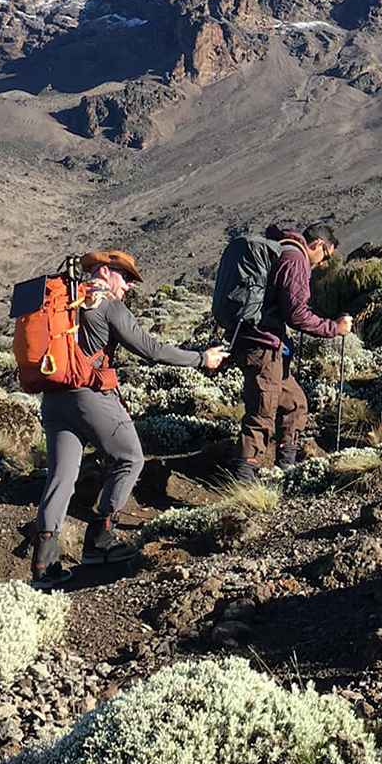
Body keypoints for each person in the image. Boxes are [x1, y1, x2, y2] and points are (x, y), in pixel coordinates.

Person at [31, 250, 226, 583]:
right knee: (130, 458)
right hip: (88, 395)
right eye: (126, 278)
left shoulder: (64, 302)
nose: (130, 286)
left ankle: (43, 566)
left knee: (61, 476)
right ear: (105, 272)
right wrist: (200, 359)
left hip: (53, 400)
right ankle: (100, 540)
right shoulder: (106, 305)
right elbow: (149, 348)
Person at [233, 223, 352, 481]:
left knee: (295, 403)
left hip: (265, 344)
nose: (323, 264)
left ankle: (286, 467)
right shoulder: (295, 258)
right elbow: (296, 314)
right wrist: (334, 328)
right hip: (262, 345)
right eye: (327, 256)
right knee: (262, 411)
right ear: (318, 245)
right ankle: (244, 483)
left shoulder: (283, 251)